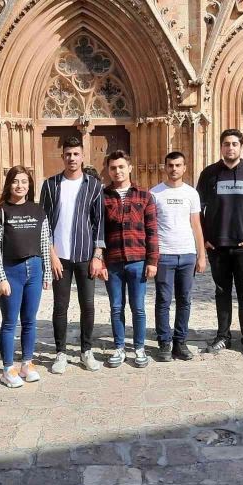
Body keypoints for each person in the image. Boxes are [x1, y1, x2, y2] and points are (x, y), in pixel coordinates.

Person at [196, 129, 243, 359]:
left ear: (241, 146)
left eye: (234, 144)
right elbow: (198, 210)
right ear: (221, 146)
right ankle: (223, 336)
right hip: (218, 246)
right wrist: (206, 238)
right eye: (226, 144)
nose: (230, 148)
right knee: (222, 293)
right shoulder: (209, 174)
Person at [39, 136, 105, 374]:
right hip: (60, 258)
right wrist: (51, 255)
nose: (72, 158)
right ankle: (61, 353)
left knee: (88, 305)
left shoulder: (93, 185)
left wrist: (97, 256)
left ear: (82, 156)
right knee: (60, 306)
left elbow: (99, 223)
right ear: (62, 156)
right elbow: (43, 223)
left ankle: (86, 350)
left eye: (76, 154)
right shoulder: (50, 185)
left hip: (85, 255)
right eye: (68, 154)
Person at [0, 166, 52, 387]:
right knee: (10, 322)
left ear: (29, 185)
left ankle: (27, 363)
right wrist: (1, 277)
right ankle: (7, 368)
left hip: (35, 269)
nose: (20, 186)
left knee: (30, 320)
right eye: (15, 181)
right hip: (11, 271)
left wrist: (47, 272)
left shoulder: (38, 210)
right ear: (8, 184)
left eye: (24, 181)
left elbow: (44, 242)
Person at [102, 150, 158, 368]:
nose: (117, 171)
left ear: (130, 168)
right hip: (113, 261)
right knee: (116, 307)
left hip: (138, 260)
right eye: (113, 168)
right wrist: (100, 261)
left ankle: (139, 348)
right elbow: (98, 232)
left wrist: (152, 261)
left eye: (121, 167)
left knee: (138, 308)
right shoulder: (102, 196)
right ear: (108, 170)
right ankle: (119, 347)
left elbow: (152, 230)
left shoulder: (144, 196)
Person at [150, 151, 206, 361]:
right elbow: (151, 227)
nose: (174, 169)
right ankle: (164, 342)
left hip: (187, 254)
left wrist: (201, 255)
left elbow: (196, 225)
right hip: (164, 254)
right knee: (163, 300)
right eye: (170, 165)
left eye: (178, 165)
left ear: (184, 168)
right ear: (165, 167)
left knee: (185, 300)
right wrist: (152, 257)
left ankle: (180, 342)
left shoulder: (191, 193)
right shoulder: (155, 193)